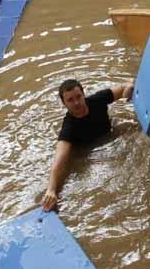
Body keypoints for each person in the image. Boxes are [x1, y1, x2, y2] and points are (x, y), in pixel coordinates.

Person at [42, 78, 134, 211]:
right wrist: (51, 190)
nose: (76, 102)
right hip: (87, 153)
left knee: (133, 128)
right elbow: (58, 162)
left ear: (83, 94)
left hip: (110, 137)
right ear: (64, 104)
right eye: (70, 100)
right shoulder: (68, 127)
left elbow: (124, 86)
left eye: (78, 97)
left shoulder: (97, 99)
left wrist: (129, 87)